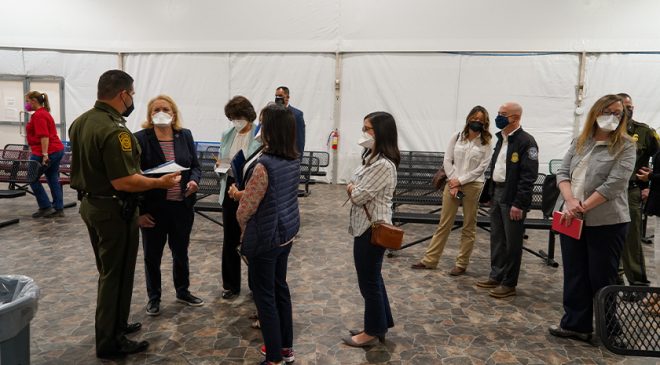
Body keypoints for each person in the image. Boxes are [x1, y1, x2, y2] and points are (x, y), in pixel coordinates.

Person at [69, 70, 180, 359]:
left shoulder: (81, 122)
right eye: (131, 93)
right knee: (115, 276)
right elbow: (124, 181)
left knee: (110, 271)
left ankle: (116, 324)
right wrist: (160, 182)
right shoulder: (116, 130)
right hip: (114, 210)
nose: (132, 99)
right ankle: (110, 341)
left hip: (92, 205)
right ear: (123, 95)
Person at [548, 94, 635, 343]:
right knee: (575, 273)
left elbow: (614, 184)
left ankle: (609, 330)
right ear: (596, 113)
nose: (613, 116)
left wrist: (582, 206)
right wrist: (571, 202)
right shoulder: (581, 141)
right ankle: (576, 324)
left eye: (618, 112)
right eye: (608, 111)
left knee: (602, 277)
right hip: (571, 217)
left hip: (607, 222)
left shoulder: (626, 146)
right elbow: (562, 172)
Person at [232, 103, 300, 365]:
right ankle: (285, 349)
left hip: (265, 237)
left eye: (262, 122)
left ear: (270, 129)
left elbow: (246, 208)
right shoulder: (293, 158)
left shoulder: (264, 165)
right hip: (285, 234)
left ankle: (273, 357)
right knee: (280, 288)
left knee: (265, 297)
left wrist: (242, 222)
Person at [134, 95, 204, 316]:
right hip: (153, 209)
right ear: (149, 115)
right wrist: (139, 212)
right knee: (152, 256)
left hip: (181, 206)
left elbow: (195, 166)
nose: (161, 112)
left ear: (174, 113)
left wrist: (194, 180)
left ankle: (183, 290)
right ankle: (154, 297)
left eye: (165, 109)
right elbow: (133, 176)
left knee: (180, 252)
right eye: (156, 110)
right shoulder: (141, 138)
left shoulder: (184, 135)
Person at [411, 106, 493, 274]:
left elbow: (481, 168)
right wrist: (454, 182)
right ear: (468, 118)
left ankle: (461, 264)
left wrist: (460, 181)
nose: (476, 122)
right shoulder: (456, 137)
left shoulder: (486, 143)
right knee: (444, 223)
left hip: (473, 185)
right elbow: (447, 160)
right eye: (474, 118)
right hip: (452, 183)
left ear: (485, 123)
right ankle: (430, 260)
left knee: (469, 225)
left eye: (480, 120)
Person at [342, 111, 399, 347]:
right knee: (372, 278)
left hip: (372, 228)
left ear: (381, 133)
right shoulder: (371, 158)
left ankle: (372, 332)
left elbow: (358, 195)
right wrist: (354, 187)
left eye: (368, 129)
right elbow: (357, 185)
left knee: (369, 282)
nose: (364, 133)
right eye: (363, 127)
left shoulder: (383, 165)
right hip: (364, 225)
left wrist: (352, 189)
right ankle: (380, 323)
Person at [475, 102, 538, 299]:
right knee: (497, 238)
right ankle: (496, 275)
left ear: (515, 118)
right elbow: (498, 168)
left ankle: (509, 283)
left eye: (503, 114)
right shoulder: (501, 139)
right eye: (499, 113)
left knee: (512, 243)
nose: (498, 117)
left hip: (513, 197)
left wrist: (519, 203)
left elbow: (529, 177)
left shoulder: (527, 142)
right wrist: (490, 194)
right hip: (497, 193)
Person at [218, 96, 262, 300]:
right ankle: (231, 284)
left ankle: (256, 284)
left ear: (248, 115)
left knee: (252, 239)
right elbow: (223, 158)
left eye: (239, 117)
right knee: (230, 238)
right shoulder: (228, 134)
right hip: (230, 186)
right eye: (232, 117)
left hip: (251, 188)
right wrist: (220, 166)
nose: (236, 121)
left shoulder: (259, 134)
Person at [616, 93, 658, 287]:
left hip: (631, 191)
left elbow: (658, 157)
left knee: (631, 238)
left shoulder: (644, 132)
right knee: (607, 237)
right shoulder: (604, 130)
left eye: (631, 106)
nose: (629, 109)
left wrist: (651, 182)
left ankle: (638, 285)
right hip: (605, 194)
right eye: (625, 106)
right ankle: (614, 281)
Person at [24, 91, 66, 218]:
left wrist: (45, 154)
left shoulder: (39, 116)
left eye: (27, 101)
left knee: (31, 177)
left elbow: (44, 136)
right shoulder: (43, 113)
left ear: (34, 101)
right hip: (56, 149)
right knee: (52, 177)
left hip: (45, 151)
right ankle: (58, 209)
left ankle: (46, 206)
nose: (26, 104)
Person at [275, 86, 305, 158]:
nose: (277, 98)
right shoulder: (272, 113)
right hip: (274, 156)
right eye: (276, 96)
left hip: (289, 158)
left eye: (280, 96)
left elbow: (300, 140)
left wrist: (298, 160)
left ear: (287, 97)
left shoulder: (296, 115)